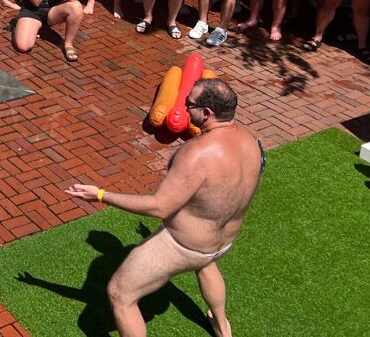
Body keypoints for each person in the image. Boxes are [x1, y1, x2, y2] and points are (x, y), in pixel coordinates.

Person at [66, 80, 263, 337]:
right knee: (206, 263)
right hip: (223, 242)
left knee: (120, 294)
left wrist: (102, 195)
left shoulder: (196, 153)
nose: (183, 106)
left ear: (207, 113)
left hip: (185, 245)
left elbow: (160, 207)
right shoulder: (251, 141)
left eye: (189, 104)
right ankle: (223, 327)